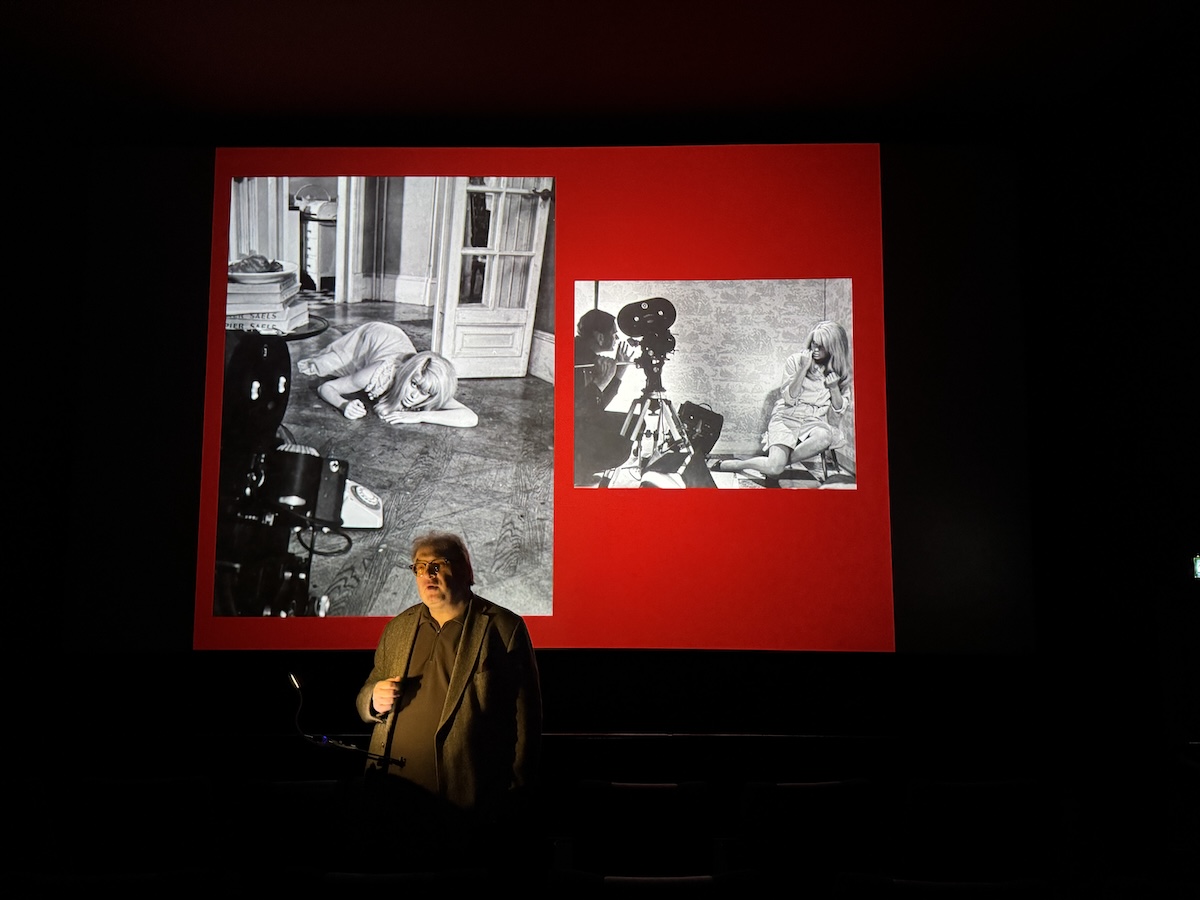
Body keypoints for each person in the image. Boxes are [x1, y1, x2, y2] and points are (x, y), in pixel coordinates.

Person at [353, 530, 543, 871]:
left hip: (464, 804)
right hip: (395, 798)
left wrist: (513, 795)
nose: (428, 574)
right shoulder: (398, 628)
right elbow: (368, 690)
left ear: (466, 570)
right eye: (420, 566)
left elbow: (526, 721)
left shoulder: (502, 628)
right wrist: (372, 700)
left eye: (438, 564)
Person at [711, 319, 852, 479]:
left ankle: (775, 463)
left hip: (814, 421)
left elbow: (838, 411)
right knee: (774, 469)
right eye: (814, 343)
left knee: (825, 437)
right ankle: (740, 465)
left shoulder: (840, 371)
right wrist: (803, 369)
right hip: (787, 416)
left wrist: (834, 388)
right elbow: (790, 398)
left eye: (822, 346)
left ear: (834, 348)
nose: (815, 349)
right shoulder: (796, 360)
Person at [296, 321, 478, 427]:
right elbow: (326, 387)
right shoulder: (377, 374)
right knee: (324, 365)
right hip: (373, 337)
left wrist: (419, 416)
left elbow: (471, 418)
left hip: (397, 343)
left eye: (425, 392)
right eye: (413, 384)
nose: (415, 396)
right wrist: (343, 404)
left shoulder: (428, 385)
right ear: (407, 375)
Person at [574, 309, 636, 484]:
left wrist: (618, 374)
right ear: (600, 337)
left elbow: (597, 406)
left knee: (635, 423)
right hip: (569, 430)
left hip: (581, 422)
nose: (617, 338)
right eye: (614, 334)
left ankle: (582, 469)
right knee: (621, 448)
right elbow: (577, 411)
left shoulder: (587, 355)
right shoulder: (578, 359)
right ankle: (578, 470)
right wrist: (600, 383)